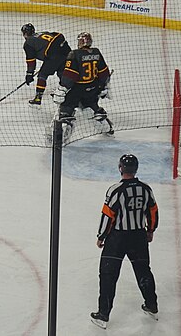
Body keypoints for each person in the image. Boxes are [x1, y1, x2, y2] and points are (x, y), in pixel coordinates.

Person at [90, 154, 159, 329]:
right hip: (138, 237)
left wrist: (101, 236)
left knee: (108, 275)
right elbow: (153, 211)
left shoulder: (115, 190)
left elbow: (108, 215)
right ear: (136, 169)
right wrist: (150, 230)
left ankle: (103, 314)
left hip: (117, 239)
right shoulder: (146, 189)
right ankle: (151, 304)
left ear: (120, 168)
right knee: (143, 271)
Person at [52, 32, 113, 136]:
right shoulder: (96, 52)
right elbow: (103, 72)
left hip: (77, 89)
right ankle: (103, 121)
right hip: (92, 88)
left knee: (67, 106)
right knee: (90, 105)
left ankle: (64, 125)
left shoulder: (74, 54)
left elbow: (70, 76)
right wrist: (103, 86)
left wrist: (62, 89)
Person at [21, 23, 71, 106]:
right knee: (62, 73)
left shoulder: (28, 43)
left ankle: (38, 98)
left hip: (54, 56)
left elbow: (31, 61)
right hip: (65, 52)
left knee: (42, 75)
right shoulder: (43, 33)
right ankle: (65, 94)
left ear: (24, 33)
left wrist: (29, 74)